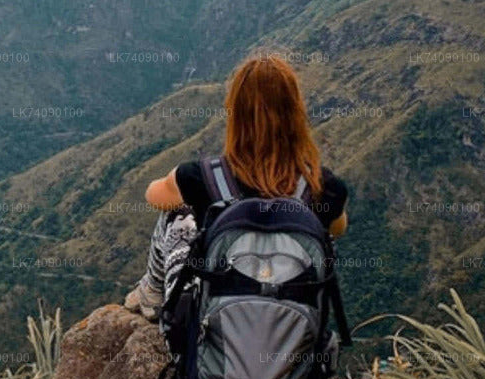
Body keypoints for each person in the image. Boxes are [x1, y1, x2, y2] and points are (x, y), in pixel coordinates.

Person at [124, 53, 349, 321]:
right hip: (292, 335)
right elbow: (338, 228)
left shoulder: (201, 178)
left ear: (235, 115)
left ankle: (152, 292)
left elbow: (154, 196)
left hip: (216, 331)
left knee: (176, 213)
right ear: (295, 114)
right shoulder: (324, 187)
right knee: (321, 232)